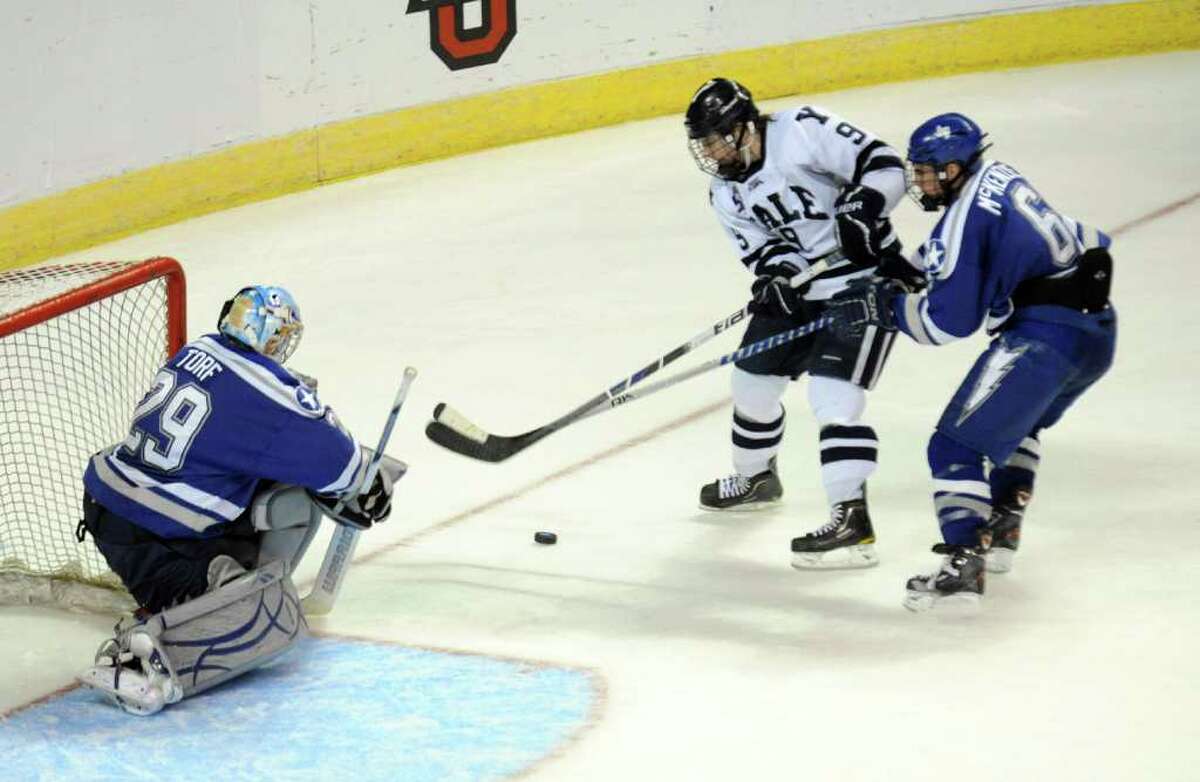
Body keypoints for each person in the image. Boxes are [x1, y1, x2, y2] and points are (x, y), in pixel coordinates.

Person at [829, 113, 1117, 611]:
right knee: (1019, 425)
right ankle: (1003, 524)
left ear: (953, 169)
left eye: (926, 172)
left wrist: (886, 310)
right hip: (1095, 334)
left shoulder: (965, 217)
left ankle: (964, 566)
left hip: (1043, 340)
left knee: (952, 447)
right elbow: (1078, 239)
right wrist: (905, 268)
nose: (920, 182)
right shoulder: (999, 176)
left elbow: (946, 324)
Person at [76, 285, 405, 713]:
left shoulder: (199, 350)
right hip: (155, 537)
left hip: (113, 507)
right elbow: (335, 457)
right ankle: (143, 659)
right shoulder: (264, 387)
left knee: (284, 493)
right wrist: (368, 483)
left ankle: (196, 600)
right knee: (269, 618)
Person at [685, 77, 922, 569]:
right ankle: (757, 478)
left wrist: (864, 204)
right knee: (750, 383)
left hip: (864, 280)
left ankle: (852, 521)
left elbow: (886, 165)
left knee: (833, 398)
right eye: (703, 143)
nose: (710, 152)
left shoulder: (802, 130)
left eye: (716, 139)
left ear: (745, 127)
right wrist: (777, 274)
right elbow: (764, 247)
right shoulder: (724, 192)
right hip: (805, 289)